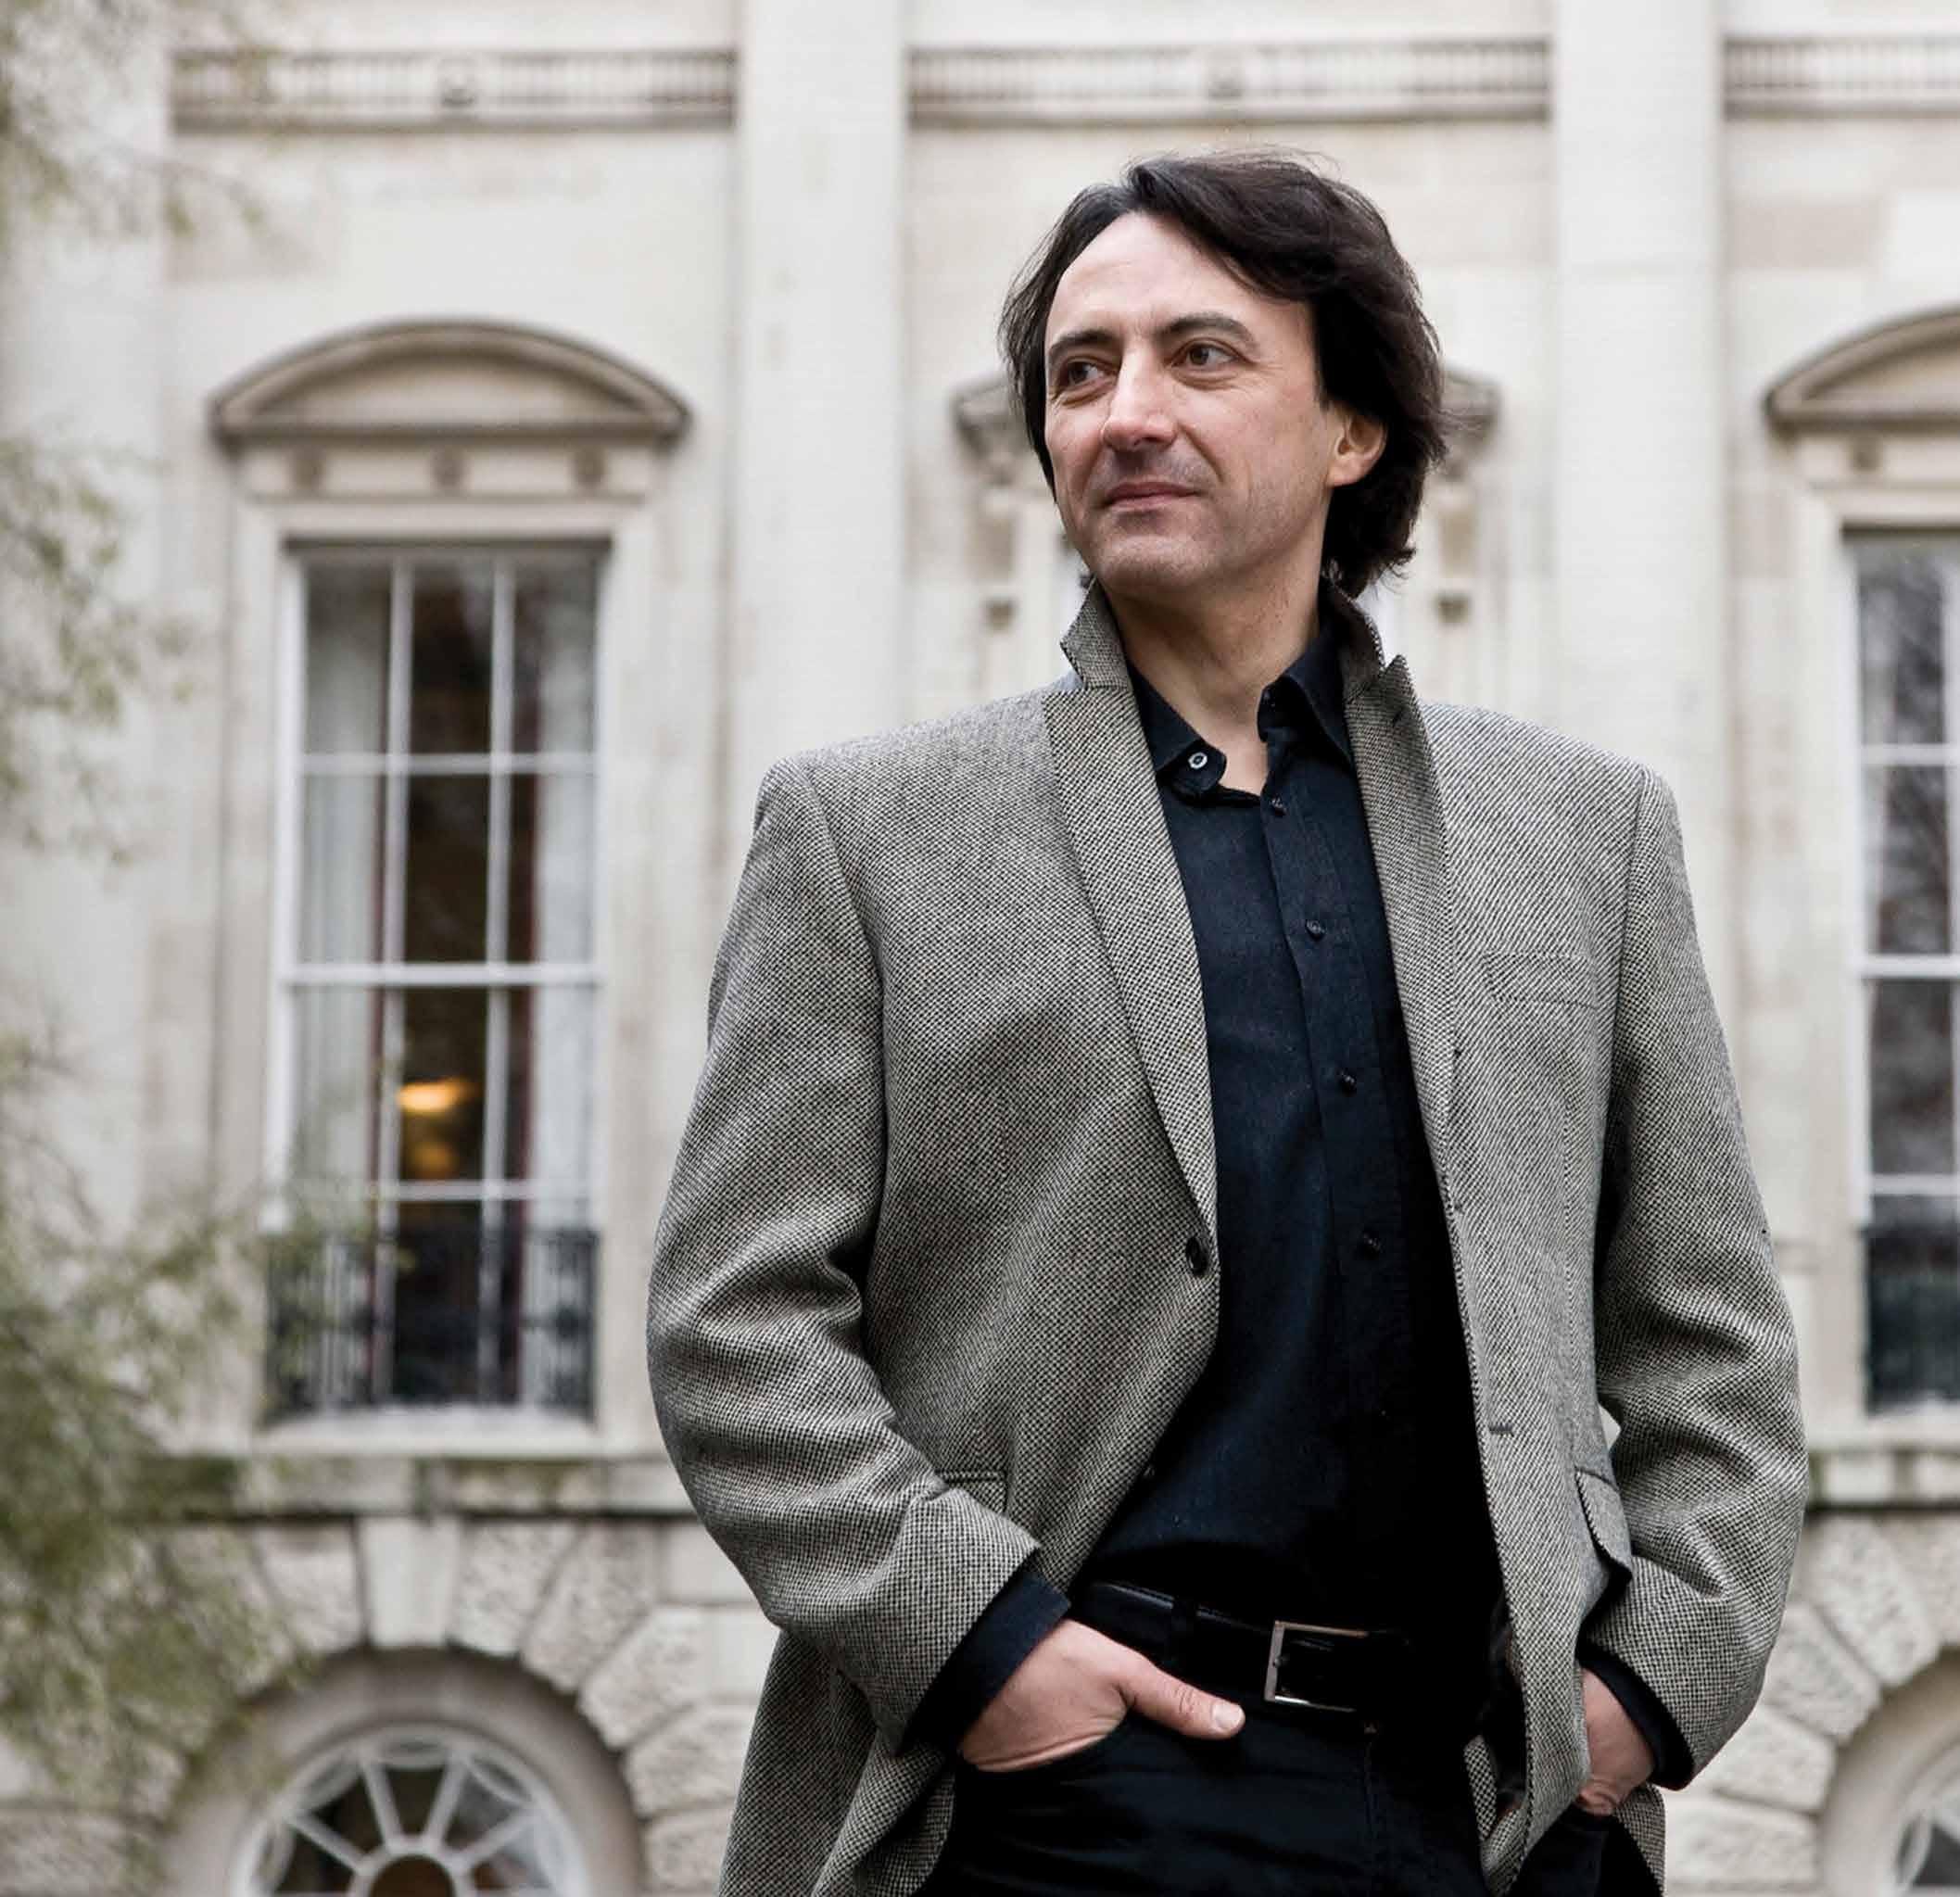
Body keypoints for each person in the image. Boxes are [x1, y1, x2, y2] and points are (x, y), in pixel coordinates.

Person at [646, 149, 1806, 1897]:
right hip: (1067, 1805)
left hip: (1496, 1809)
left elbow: (1709, 1334)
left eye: (1201, 356)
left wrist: (1649, 1688)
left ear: (1353, 429)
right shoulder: (865, 834)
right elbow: (733, 1324)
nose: (1127, 413)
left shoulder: (1588, 835)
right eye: (1081, 371)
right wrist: (987, 1656)